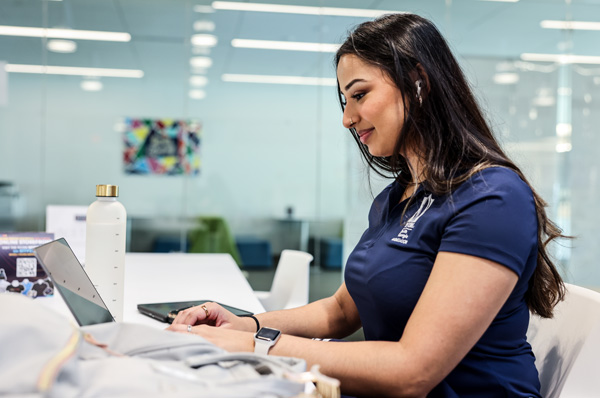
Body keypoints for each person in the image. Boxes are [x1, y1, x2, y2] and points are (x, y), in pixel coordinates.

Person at [167, 13, 566, 398]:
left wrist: (253, 345)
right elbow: (341, 311)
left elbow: (411, 371)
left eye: (359, 94)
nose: (347, 118)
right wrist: (245, 324)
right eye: (345, 99)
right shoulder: (398, 197)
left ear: (418, 83)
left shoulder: (491, 196)